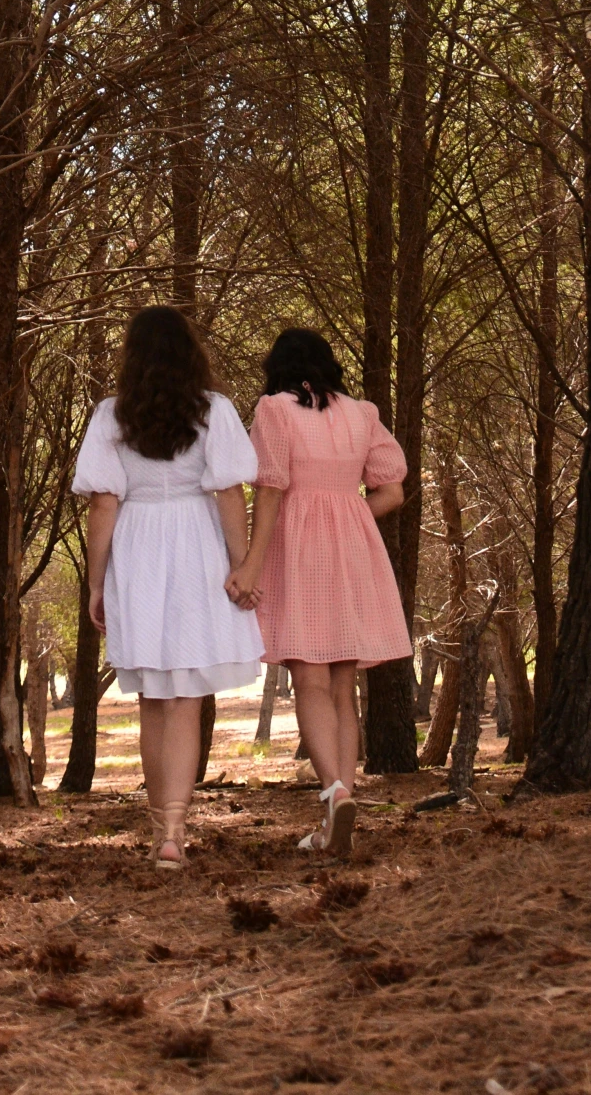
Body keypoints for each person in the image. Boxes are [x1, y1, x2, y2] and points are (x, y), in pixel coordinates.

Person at [73, 304, 262, 868]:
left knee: (153, 699)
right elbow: (229, 493)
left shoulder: (111, 416)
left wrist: (97, 580)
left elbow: (105, 504)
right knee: (183, 700)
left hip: (138, 549)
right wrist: (241, 565)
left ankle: (163, 833)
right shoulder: (216, 411)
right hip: (197, 547)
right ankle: (175, 832)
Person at [227, 327, 407, 859]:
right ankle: (339, 805)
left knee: (307, 675)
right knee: (342, 683)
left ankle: (334, 795)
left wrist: (252, 564)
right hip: (351, 550)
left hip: (297, 548)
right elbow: (391, 489)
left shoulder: (274, 409)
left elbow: (270, 485)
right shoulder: (362, 413)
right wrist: (348, 519)